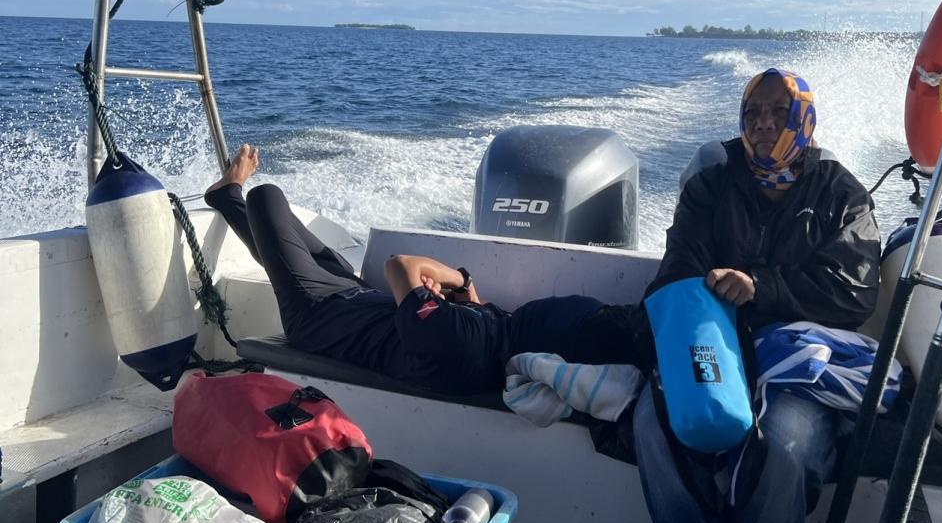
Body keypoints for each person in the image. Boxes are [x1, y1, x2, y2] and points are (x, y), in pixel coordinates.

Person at [632, 68, 880, 523]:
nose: (764, 124)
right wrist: (712, 296)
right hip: (720, 346)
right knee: (653, 424)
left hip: (799, 364)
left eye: (778, 112)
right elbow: (677, 267)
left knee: (788, 445)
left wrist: (761, 287)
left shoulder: (841, 192)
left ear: (804, 119)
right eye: (753, 113)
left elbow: (855, 292)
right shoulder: (712, 185)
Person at [204, 144, 635, 396]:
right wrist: (463, 300)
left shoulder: (461, 339)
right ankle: (225, 198)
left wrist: (460, 280)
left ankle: (232, 192)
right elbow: (463, 314)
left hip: (319, 313)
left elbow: (400, 266)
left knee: (266, 197)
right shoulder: (500, 341)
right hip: (355, 295)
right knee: (289, 245)